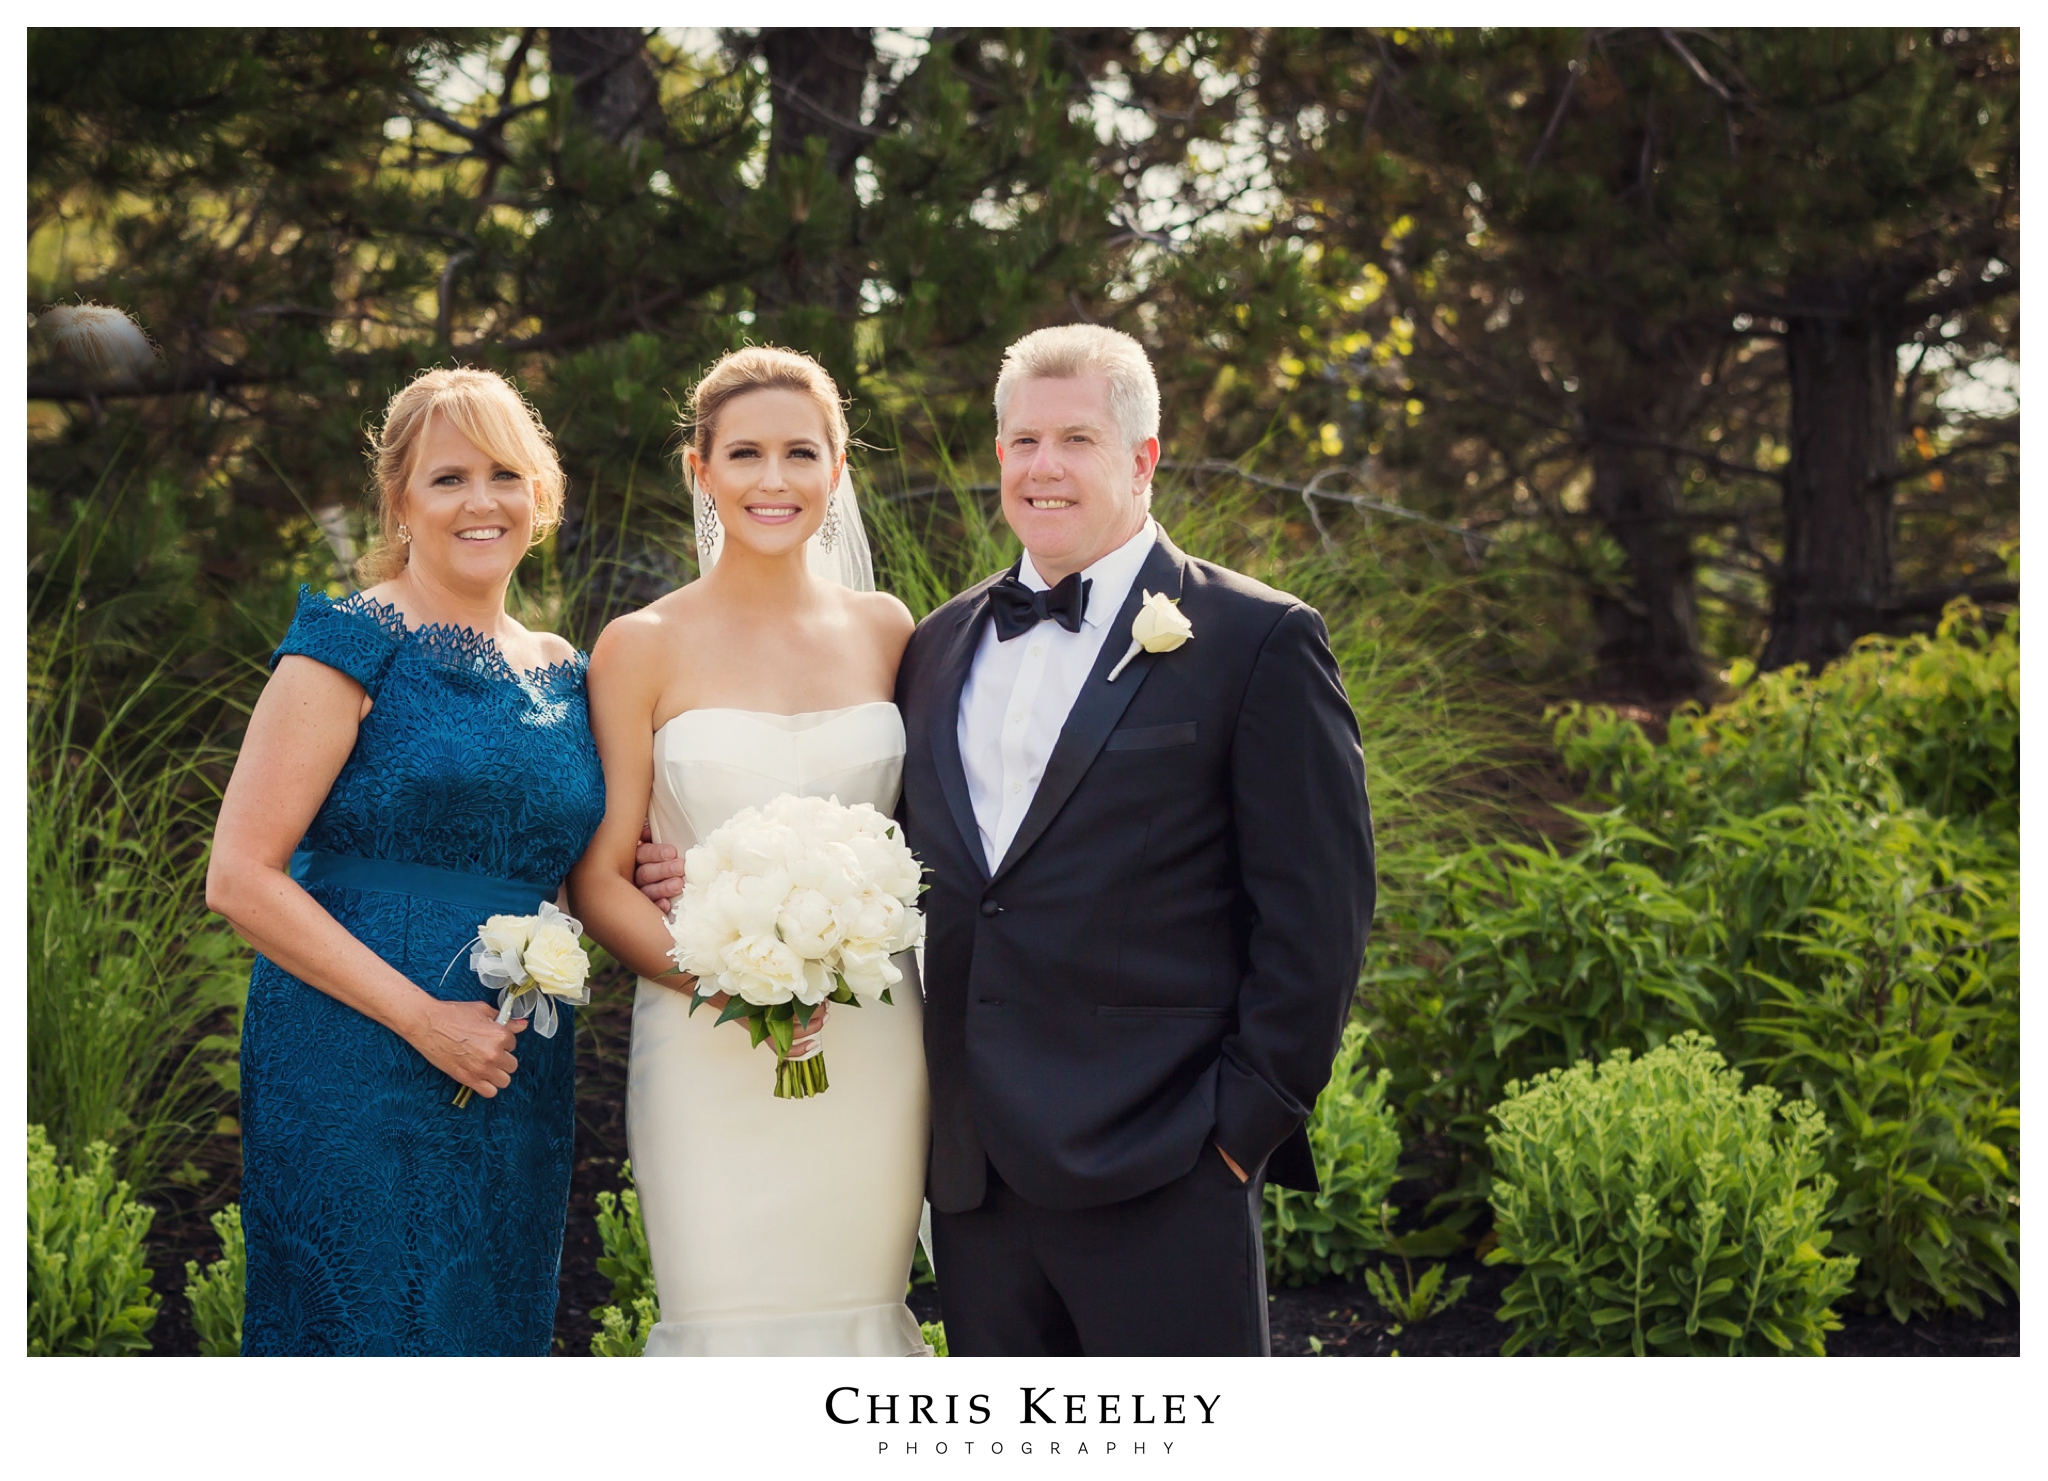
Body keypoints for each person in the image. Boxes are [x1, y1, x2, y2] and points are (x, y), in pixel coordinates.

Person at [894, 324, 1374, 1355]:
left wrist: (1237, 1131)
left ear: (1142, 459)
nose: (1042, 467)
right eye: (1021, 441)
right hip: (975, 1180)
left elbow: (1317, 914)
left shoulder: (1257, 638)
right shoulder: (936, 643)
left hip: (1165, 1163)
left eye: (1075, 438)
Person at [207, 367, 605, 1355]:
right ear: (400, 499)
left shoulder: (566, 667)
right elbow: (240, 875)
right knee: (366, 1324)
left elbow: (581, 866)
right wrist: (422, 1017)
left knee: (489, 1322)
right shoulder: (349, 642)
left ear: (540, 493)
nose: (482, 501)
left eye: (505, 474)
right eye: (448, 478)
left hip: (514, 1057)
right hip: (354, 1052)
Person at [571, 345, 932, 1356]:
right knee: (722, 1313)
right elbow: (600, 877)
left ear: (838, 468)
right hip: (700, 1029)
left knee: (859, 1307)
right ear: (700, 470)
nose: (772, 481)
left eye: (800, 453)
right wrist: (728, 973)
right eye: (744, 454)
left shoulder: (889, 630)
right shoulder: (640, 642)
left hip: (871, 1030)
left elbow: (934, 836)